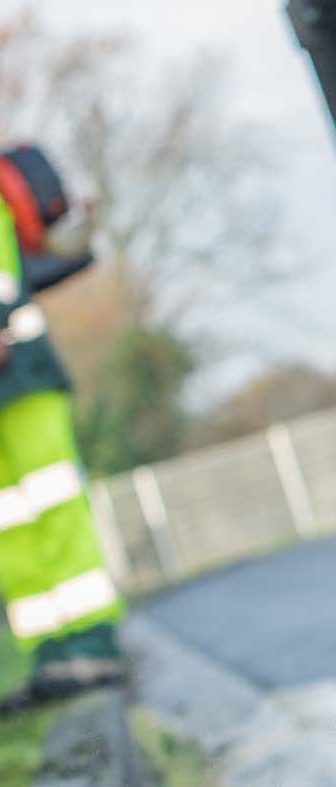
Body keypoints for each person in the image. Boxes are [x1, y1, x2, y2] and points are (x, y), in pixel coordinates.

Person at [0, 144, 123, 709]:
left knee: (52, 506)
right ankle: (52, 653)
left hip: (21, 374)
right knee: (12, 527)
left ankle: (93, 642)